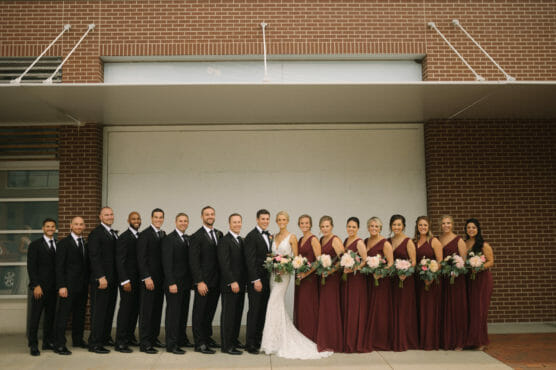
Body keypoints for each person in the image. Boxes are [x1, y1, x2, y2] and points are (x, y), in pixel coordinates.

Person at [260, 211, 332, 359]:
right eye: (279, 219)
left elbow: (296, 259)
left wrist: (285, 266)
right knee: (276, 304)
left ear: (288, 221)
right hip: (273, 275)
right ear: (276, 221)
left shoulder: (292, 237)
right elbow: (272, 256)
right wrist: (273, 263)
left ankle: (272, 342)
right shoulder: (274, 236)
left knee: (273, 302)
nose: (281, 221)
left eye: (284, 219)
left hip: (284, 275)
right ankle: (276, 339)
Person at [53, 216, 90, 355]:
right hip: (67, 287)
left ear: (84, 226)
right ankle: (59, 344)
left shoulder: (84, 243)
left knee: (79, 315)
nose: (79, 226)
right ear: (71, 226)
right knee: (63, 315)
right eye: (76, 224)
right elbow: (59, 267)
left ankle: (78, 340)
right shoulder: (63, 244)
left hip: (82, 286)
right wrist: (61, 285)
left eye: (81, 224)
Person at [189, 206, 223, 354]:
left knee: (210, 311)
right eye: (207, 214)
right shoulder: (196, 236)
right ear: (202, 217)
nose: (210, 216)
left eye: (212, 214)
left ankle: (207, 338)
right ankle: (200, 343)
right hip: (203, 282)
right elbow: (193, 261)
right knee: (199, 312)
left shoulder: (219, 234)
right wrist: (199, 281)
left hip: (216, 281)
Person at [358, 217, 394, 352]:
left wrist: (380, 273)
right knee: (369, 309)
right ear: (368, 228)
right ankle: (370, 339)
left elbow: (390, 263)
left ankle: (381, 340)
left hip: (380, 282)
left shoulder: (385, 243)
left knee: (380, 310)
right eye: (371, 226)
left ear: (380, 228)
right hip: (367, 280)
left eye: (376, 226)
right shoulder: (365, 241)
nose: (374, 228)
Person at [88, 207, 118, 354]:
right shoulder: (96, 233)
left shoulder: (111, 233)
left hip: (112, 280)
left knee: (108, 311)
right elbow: (94, 256)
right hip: (102, 280)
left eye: (111, 214)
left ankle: (104, 337)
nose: (109, 216)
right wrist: (101, 276)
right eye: (106, 214)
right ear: (100, 217)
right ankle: (95, 343)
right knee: (98, 312)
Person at [162, 213, 193, 355]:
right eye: (180, 221)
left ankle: (181, 339)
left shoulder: (187, 238)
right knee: (173, 314)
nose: (183, 223)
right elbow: (167, 264)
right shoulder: (169, 239)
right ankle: (171, 344)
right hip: (174, 284)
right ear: (175, 222)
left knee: (182, 313)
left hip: (185, 284)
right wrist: (171, 282)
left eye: (185, 221)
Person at [26, 218, 58, 356]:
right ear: (43, 228)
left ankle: (47, 342)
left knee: (50, 316)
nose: (50, 228)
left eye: (52, 226)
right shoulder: (35, 245)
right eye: (47, 226)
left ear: (55, 229)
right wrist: (36, 285)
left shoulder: (58, 244)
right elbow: (31, 267)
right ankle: (33, 344)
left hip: (53, 288)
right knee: (35, 317)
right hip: (40, 288)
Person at [217, 213, 247, 355]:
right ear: (229, 224)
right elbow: (224, 264)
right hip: (230, 285)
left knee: (236, 315)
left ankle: (233, 341)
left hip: (240, 285)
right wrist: (232, 281)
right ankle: (227, 346)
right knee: (228, 316)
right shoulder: (224, 241)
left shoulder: (240, 240)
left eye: (239, 222)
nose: (237, 224)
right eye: (234, 222)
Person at [137, 208, 166, 354]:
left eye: (161, 217)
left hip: (160, 281)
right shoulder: (145, 235)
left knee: (156, 311)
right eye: (156, 217)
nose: (158, 219)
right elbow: (141, 259)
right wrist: (146, 277)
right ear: (151, 218)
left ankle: (153, 338)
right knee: (146, 312)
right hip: (149, 280)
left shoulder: (162, 234)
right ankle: (145, 343)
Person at [244, 209, 272, 354]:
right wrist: (255, 280)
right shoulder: (251, 236)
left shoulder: (269, 235)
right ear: (257, 219)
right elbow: (250, 261)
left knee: (262, 311)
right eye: (263, 219)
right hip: (257, 281)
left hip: (267, 280)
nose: (265, 221)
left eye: (267, 219)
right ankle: (250, 343)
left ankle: (259, 339)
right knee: (254, 311)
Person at [389, 214, 418, 351]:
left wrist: (405, 274)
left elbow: (413, 262)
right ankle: (395, 339)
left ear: (404, 226)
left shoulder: (408, 241)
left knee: (404, 308)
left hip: (405, 280)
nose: (396, 227)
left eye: (399, 225)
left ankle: (405, 340)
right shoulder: (389, 241)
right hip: (392, 280)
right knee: (394, 308)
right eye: (394, 225)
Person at [439, 215, 468, 350]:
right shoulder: (438, 239)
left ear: (453, 224)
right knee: (444, 308)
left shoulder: (459, 240)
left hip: (456, 279)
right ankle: (446, 340)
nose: (446, 225)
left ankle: (459, 341)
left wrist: (455, 269)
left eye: (448, 223)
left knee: (456, 309)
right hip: (443, 279)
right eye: (444, 223)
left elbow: (463, 262)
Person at [315, 215, 344, 353]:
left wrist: (331, 270)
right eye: (322, 226)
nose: (325, 229)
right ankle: (324, 338)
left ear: (332, 226)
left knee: (331, 307)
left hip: (332, 279)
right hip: (323, 277)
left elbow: (343, 260)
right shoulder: (321, 239)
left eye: (327, 226)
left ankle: (333, 340)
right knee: (324, 308)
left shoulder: (335, 240)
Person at [464, 218, 494, 350]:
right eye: (469, 227)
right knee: (470, 309)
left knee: (480, 309)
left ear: (478, 229)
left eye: (473, 227)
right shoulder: (464, 243)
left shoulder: (483, 244)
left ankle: (480, 341)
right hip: (468, 279)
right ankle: (470, 339)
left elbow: (491, 261)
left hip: (481, 279)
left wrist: (479, 266)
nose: (471, 230)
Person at [414, 216, 443, 350]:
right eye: (420, 225)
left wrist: (431, 276)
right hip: (417, 280)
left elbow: (440, 261)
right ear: (417, 226)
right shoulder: (414, 241)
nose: (423, 227)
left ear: (429, 226)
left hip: (431, 280)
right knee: (419, 309)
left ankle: (430, 341)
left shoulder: (434, 241)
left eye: (425, 225)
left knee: (430, 309)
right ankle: (421, 340)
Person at [115, 211, 142, 352]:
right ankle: (120, 341)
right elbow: (120, 261)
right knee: (125, 311)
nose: (136, 220)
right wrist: (124, 280)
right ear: (128, 220)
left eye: (138, 218)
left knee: (134, 310)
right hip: (128, 281)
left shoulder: (139, 236)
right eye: (133, 219)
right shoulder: (124, 237)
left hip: (138, 281)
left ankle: (129, 337)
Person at [341, 217, 368, 353]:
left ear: (358, 228)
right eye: (349, 226)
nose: (351, 229)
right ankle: (347, 340)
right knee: (348, 307)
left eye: (353, 227)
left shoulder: (359, 242)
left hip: (356, 279)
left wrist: (353, 268)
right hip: (347, 279)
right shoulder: (346, 241)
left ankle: (355, 341)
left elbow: (364, 260)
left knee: (354, 308)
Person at [293, 214, 320, 342]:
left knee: (308, 307)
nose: (304, 225)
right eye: (302, 223)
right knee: (301, 307)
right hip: (299, 278)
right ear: (299, 225)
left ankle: (309, 336)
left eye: (307, 223)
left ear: (310, 224)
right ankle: (301, 335)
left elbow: (318, 261)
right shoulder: (300, 239)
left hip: (309, 279)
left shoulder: (314, 239)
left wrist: (305, 274)